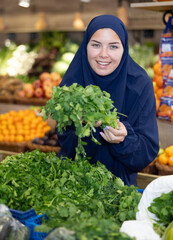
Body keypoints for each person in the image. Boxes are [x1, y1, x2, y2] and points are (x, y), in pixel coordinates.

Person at [57, 14, 159, 186]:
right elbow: (65, 144)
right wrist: (85, 128)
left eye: (113, 46)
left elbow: (147, 152)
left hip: (119, 191)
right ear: (86, 46)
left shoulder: (140, 85)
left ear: (124, 48)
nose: (103, 54)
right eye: (96, 45)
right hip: (71, 185)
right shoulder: (73, 83)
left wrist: (124, 139)